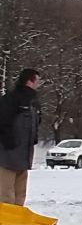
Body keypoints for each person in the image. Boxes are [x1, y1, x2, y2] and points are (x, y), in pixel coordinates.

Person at [0, 68, 41, 206]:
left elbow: (36, 122)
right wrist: (8, 142)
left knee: (20, 194)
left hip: (24, 154)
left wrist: (33, 138)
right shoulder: (11, 98)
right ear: (29, 81)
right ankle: (5, 218)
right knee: (6, 194)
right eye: (37, 81)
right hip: (8, 155)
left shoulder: (33, 101)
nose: (38, 84)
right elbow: (2, 121)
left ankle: (18, 217)